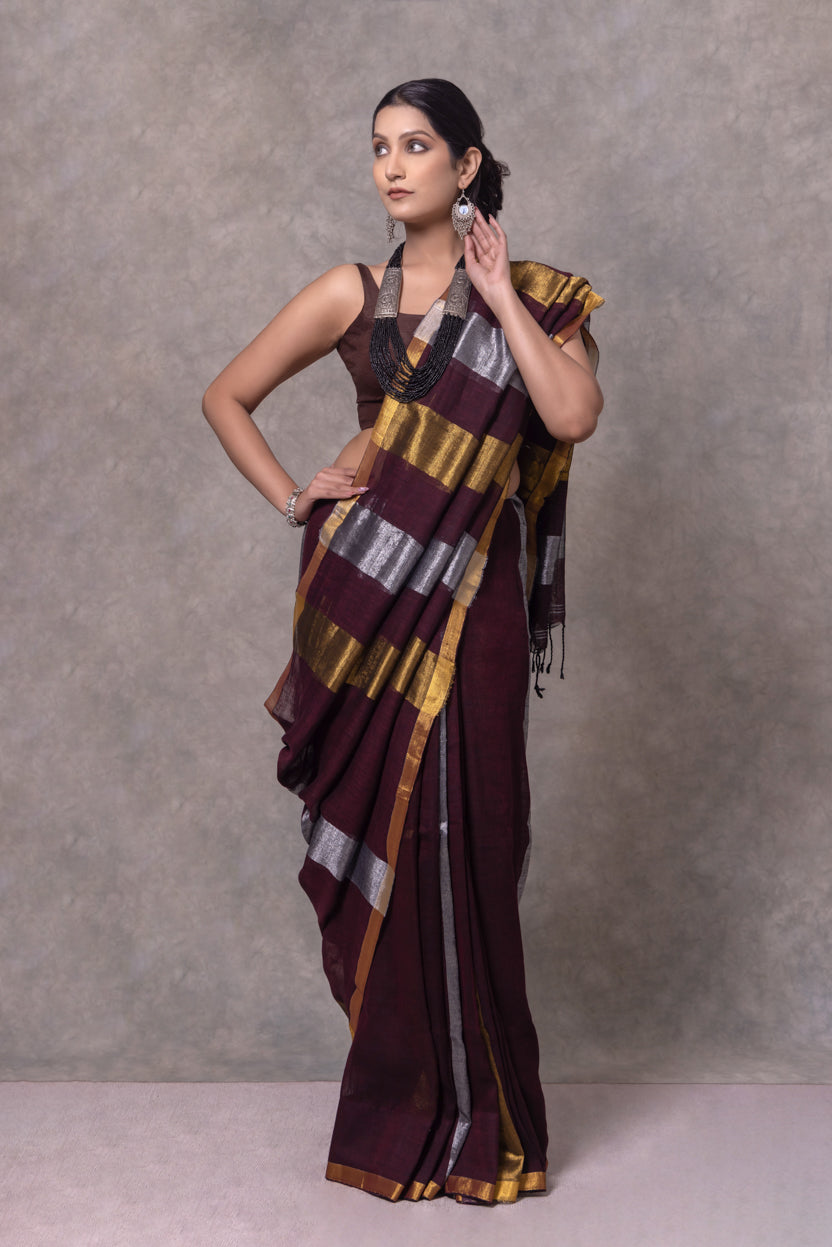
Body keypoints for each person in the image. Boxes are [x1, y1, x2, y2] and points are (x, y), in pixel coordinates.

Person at [202, 78, 603, 1204]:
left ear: (465, 166)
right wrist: (299, 499)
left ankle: (487, 1128)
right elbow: (225, 396)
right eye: (378, 147)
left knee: (470, 832)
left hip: (473, 595)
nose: (391, 166)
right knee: (385, 832)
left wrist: (497, 298)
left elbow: (569, 415)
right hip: (362, 598)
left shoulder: (534, 295)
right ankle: (395, 1114)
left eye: (416, 145)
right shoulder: (349, 290)